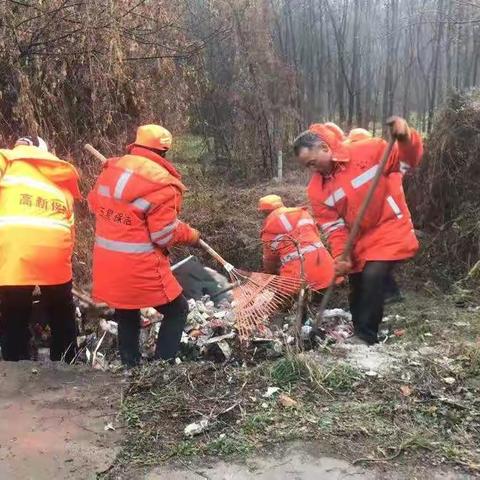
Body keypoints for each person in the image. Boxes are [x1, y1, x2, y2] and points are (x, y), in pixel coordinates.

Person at [293, 117, 423, 345]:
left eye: (312, 162)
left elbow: (408, 159)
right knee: (356, 280)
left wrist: (405, 136)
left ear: (324, 148)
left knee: (373, 274)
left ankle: (367, 335)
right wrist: (342, 255)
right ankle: (359, 327)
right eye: (307, 166)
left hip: (389, 224)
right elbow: (334, 227)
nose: (312, 170)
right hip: (359, 236)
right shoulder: (317, 189)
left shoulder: (368, 150)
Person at [88, 124, 201, 367]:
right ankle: (162, 366)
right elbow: (163, 235)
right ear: (164, 152)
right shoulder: (162, 184)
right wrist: (190, 234)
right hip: (141, 268)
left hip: (107, 264)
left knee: (126, 310)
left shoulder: (112, 169)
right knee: (178, 309)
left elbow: (93, 204)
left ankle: (130, 365)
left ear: (136, 144)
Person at [0, 136, 80, 362]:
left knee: (14, 307)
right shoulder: (57, 174)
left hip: (14, 249)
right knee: (61, 307)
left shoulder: (6, 165)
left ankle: (15, 363)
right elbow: (70, 229)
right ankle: (67, 361)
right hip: (54, 247)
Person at [345, 126, 404, 304]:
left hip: (381, 220)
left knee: (375, 257)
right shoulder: (378, 158)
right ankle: (386, 291)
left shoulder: (372, 162)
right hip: (386, 218)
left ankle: (388, 292)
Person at [259, 194, 335, 291]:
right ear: (281, 204)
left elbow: (270, 262)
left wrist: (269, 275)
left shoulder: (267, 232)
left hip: (298, 282)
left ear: (264, 213)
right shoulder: (303, 214)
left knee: (284, 295)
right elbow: (317, 237)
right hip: (330, 273)